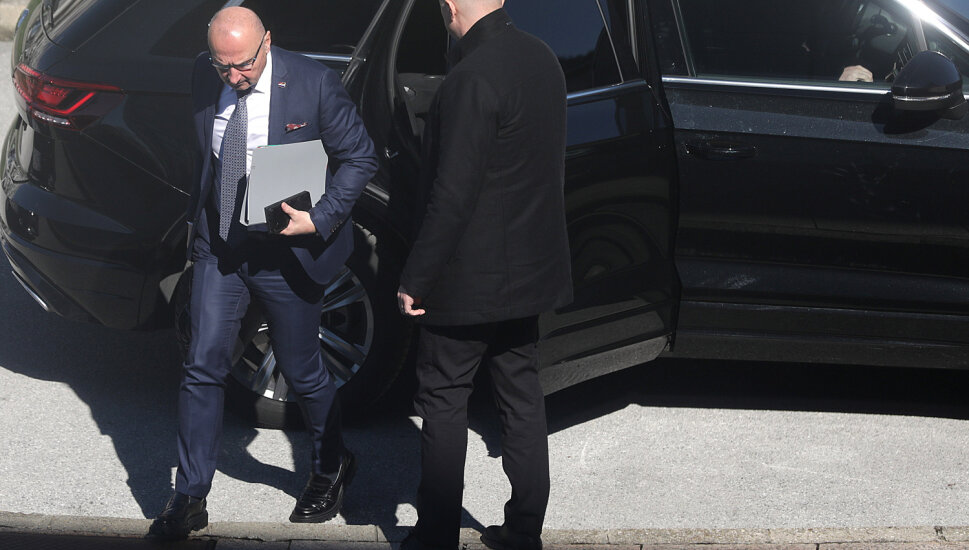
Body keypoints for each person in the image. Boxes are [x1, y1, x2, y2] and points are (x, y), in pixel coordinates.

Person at [148, 6, 377, 540]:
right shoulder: (204, 72)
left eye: (244, 65)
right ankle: (190, 496)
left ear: (267, 42)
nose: (233, 76)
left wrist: (319, 218)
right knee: (201, 365)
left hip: (285, 248)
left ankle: (331, 464)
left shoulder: (314, 84)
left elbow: (360, 158)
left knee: (302, 370)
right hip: (220, 245)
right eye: (222, 65)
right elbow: (205, 155)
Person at [396, 0, 573, 548]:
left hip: (466, 281)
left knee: (443, 398)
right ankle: (524, 531)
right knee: (521, 396)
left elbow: (451, 195)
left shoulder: (469, 78)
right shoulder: (543, 58)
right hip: (529, 273)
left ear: (450, 9)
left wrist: (415, 277)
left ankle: (436, 535)